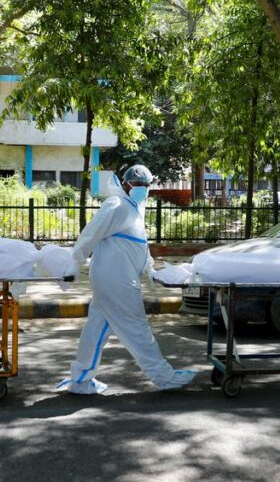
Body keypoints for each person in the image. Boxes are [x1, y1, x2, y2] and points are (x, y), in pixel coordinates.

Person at [57, 165, 197, 394]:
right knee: (137, 329)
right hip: (117, 282)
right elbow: (90, 234)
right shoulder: (116, 205)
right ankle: (164, 377)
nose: (143, 189)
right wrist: (75, 262)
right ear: (126, 184)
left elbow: (138, 245)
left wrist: (151, 271)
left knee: (96, 329)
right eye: (138, 185)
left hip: (116, 280)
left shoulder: (134, 207)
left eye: (146, 186)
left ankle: (82, 378)